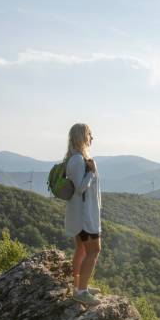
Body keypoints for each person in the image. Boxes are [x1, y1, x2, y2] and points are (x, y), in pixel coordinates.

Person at [63, 123, 103, 306]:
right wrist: (92, 172)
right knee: (94, 250)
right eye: (90, 134)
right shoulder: (78, 160)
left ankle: (79, 285)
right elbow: (80, 188)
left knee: (82, 250)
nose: (92, 138)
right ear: (82, 137)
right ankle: (81, 291)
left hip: (80, 214)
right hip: (85, 217)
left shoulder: (74, 159)